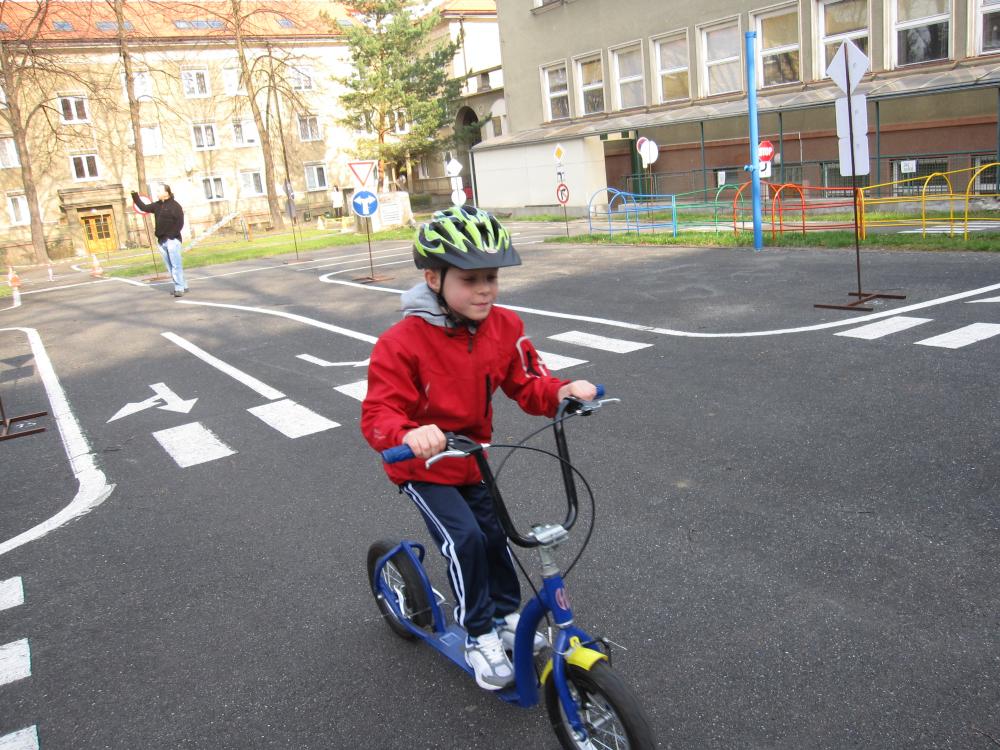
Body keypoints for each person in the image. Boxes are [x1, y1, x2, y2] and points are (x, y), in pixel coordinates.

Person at [361, 205, 597, 690]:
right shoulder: (401, 343)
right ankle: (478, 634)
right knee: (464, 538)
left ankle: (506, 616)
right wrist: (407, 434)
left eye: (491, 277)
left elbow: (527, 382)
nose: (485, 289)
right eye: (470, 279)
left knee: (494, 535)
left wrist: (562, 392)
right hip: (422, 464)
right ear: (433, 278)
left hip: (471, 457)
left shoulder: (504, 327)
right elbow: (379, 413)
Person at [132, 185, 186, 297]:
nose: (156, 193)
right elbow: (143, 207)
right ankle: (183, 285)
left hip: (172, 240)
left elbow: (180, 223)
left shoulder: (175, 206)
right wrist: (134, 195)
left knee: (176, 265)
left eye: (159, 191)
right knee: (170, 266)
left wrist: (171, 235)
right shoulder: (157, 205)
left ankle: (179, 288)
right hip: (161, 240)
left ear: (166, 193)